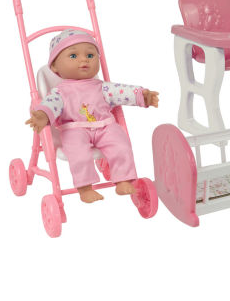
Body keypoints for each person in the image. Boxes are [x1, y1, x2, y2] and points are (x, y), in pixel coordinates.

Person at [26, 29, 159, 203]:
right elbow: (51, 105)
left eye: (90, 55)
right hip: (74, 129)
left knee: (121, 143)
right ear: (55, 67)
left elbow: (122, 91)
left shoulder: (102, 87)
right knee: (78, 152)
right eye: (73, 56)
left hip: (105, 126)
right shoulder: (60, 92)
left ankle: (123, 179)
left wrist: (142, 95)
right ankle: (85, 187)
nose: (84, 60)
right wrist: (43, 115)